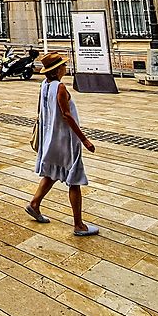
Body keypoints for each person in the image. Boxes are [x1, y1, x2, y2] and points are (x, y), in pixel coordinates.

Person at [25, 52, 99, 236]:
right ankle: (79, 225)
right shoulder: (60, 88)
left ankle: (34, 204)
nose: (65, 67)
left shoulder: (44, 85)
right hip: (65, 139)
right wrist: (84, 139)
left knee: (51, 173)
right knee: (74, 179)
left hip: (50, 138)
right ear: (58, 69)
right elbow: (67, 115)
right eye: (63, 65)